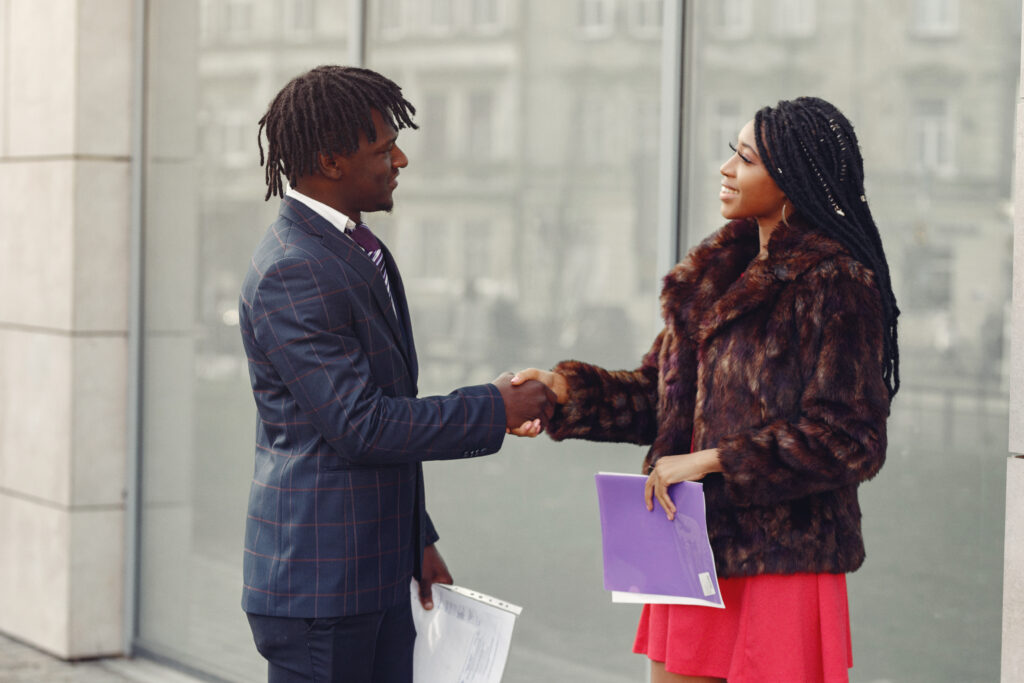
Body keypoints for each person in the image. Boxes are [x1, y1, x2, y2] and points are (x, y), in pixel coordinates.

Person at [513, 96, 898, 683]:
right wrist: (564, 391)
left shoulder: (835, 282)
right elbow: (657, 396)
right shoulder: (716, 274)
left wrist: (715, 461)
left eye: (745, 159)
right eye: (731, 154)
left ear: (792, 181)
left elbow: (850, 437)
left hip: (781, 563)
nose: (726, 170)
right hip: (691, 548)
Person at [238, 65, 554, 683]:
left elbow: (377, 413)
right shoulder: (293, 269)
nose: (401, 159)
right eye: (383, 149)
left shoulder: (352, 247)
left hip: (374, 571)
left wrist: (418, 542)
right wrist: (494, 406)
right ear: (331, 161)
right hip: (322, 591)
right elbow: (362, 424)